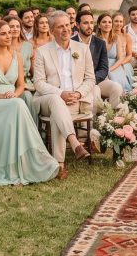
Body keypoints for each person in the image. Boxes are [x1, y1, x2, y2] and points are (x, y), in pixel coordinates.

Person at [0, 20, 60, 185]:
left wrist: (14, 94)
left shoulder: (18, 56)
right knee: (18, 105)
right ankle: (10, 168)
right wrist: (3, 97)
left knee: (18, 104)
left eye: (9, 32)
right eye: (4, 33)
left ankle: (25, 165)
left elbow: (20, 85)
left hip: (13, 100)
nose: (9, 36)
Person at [32, 11, 94, 176]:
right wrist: (61, 93)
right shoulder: (42, 51)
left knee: (57, 115)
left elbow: (90, 79)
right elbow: (38, 83)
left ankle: (59, 165)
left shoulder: (83, 49)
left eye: (67, 25)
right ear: (52, 31)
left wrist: (78, 94)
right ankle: (75, 143)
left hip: (74, 101)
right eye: (61, 26)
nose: (66, 29)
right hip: (47, 100)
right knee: (56, 100)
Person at [73, 10, 123, 110]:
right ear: (77, 25)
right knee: (95, 92)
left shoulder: (100, 43)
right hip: (77, 82)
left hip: (96, 79)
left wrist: (91, 80)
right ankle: (95, 122)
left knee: (117, 88)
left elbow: (104, 69)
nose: (89, 26)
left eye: (91, 23)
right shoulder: (71, 42)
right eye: (85, 23)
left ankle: (110, 120)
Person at [4, 15, 37, 123]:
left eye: (18, 26)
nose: (15, 29)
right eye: (11, 26)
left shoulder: (28, 46)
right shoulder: (1, 47)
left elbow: (32, 70)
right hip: (5, 84)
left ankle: (31, 130)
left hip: (24, 84)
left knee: (27, 96)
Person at [98, 13, 133, 91]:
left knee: (120, 87)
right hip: (100, 68)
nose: (107, 24)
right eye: (104, 22)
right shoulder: (95, 39)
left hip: (115, 66)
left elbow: (120, 59)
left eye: (109, 22)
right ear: (98, 25)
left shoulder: (117, 39)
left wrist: (109, 70)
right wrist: (103, 71)